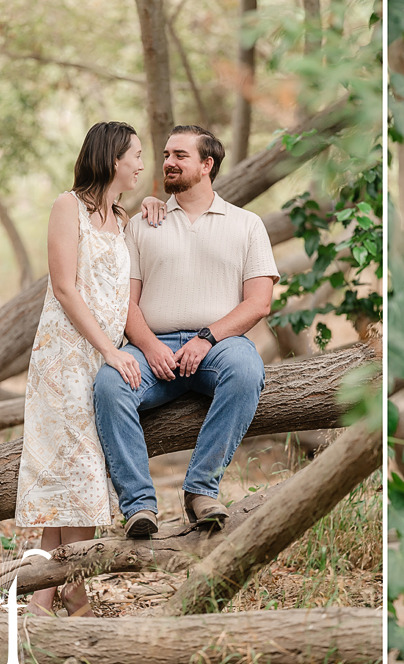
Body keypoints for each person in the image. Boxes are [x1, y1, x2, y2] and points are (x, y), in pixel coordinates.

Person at [93, 125, 279, 538]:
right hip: (152, 345)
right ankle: (139, 506)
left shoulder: (247, 225)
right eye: (166, 155)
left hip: (219, 347)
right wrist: (149, 345)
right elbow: (125, 301)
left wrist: (207, 338)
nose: (168, 163)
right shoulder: (143, 224)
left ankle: (200, 490)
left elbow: (259, 302)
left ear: (207, 165)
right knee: (109, 384)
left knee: (247, 371)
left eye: (181, 155)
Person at [16, 121, 145, 616]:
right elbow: (66, 286)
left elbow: (123, 293)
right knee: (81, 475)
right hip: (66, 357)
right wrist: (111, 351)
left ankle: (47, 598)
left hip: (103, 360)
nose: (140, 163)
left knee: (75, 480)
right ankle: (74, 588)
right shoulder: (67, 207)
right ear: (113, 158)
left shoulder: (125, 218)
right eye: (135, 154)